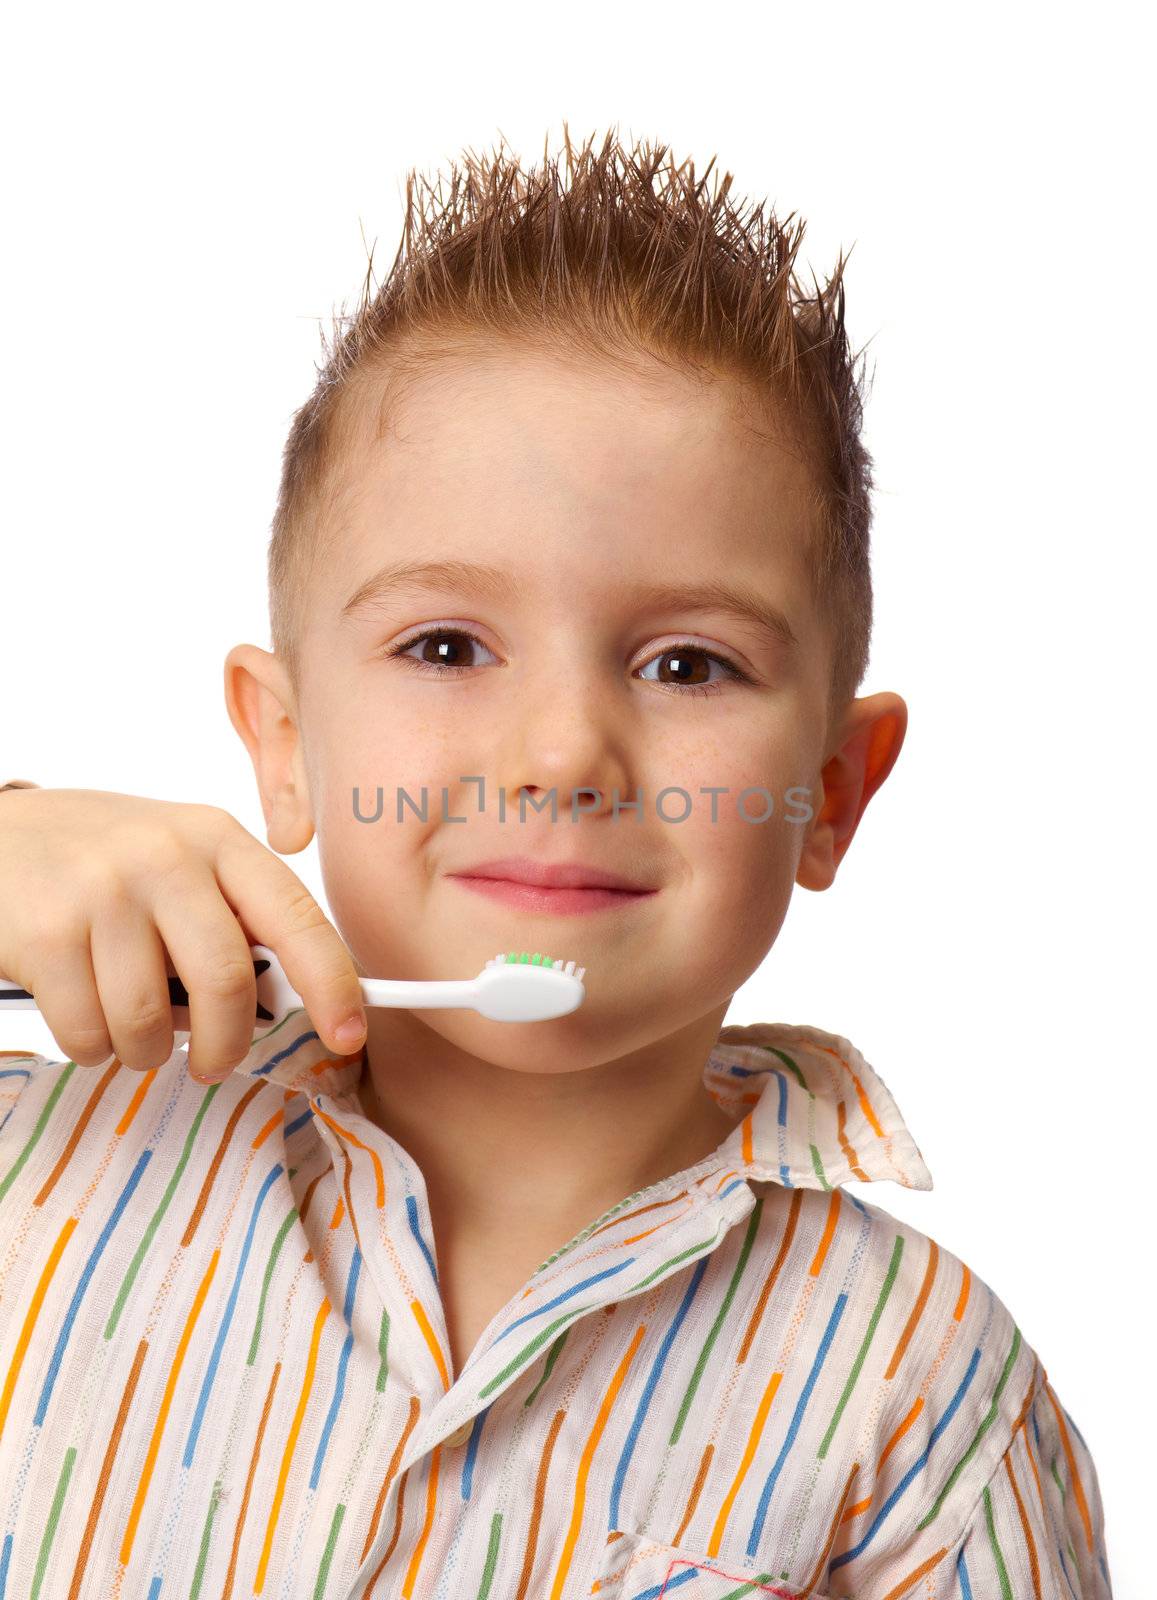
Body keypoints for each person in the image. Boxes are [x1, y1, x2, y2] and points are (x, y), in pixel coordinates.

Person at [0, 128, 1112, 1597]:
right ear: (281, 743)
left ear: (832, 791)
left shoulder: (921, 1398)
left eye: (686, 662)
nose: (561, 753)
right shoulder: (44, 1148)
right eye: (446, 644)